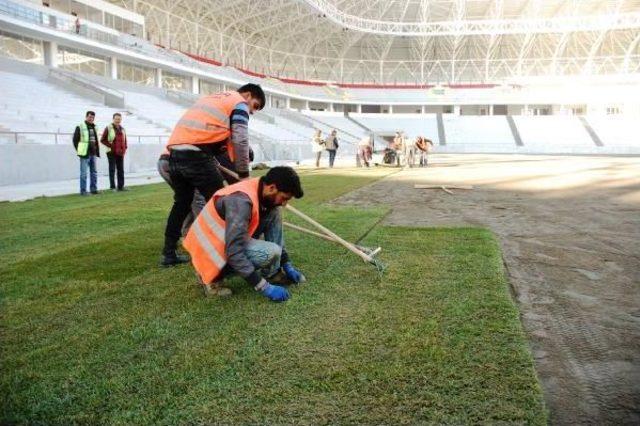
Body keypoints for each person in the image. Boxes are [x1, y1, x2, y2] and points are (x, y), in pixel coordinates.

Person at [160, 83, 266, 267]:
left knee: (182, 204)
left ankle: (168, 253)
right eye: (255, 106)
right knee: (226, 204)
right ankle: (231, 253)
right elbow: (240, 138)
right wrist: (243, 176)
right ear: (248, 95)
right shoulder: (239, 103)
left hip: (174, 155)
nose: (253, 112)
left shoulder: (212, 99)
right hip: (195, 155)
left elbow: (216, 137)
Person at [184, 166, 306, 302]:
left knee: (274, 212)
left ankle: (273, 273)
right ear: (272, 188)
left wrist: (286, 264)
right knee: (270, 252)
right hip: (207, 252)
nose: (284, 204)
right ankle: (211, 278)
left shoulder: (261, 188)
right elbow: (234, 252)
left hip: (226, 240)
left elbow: (271, 232)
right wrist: (264, 287)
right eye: (284, 198)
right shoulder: (241, 201)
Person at [73, 111, 100, 195]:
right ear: (86, 117)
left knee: (94, 172)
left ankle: (93, 190)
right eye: (90, 117)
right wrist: (80, 150)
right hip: (85, 153)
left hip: (93, 153)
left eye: (92, 117)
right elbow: (75, 140)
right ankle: (83, 191)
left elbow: (95, 140)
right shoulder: (80, 126)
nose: (91, 119)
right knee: (84, 173)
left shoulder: (95, 127)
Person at [100, 113, 128, 191]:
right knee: (112, 169)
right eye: (116, 119)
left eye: (119, 119)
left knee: (120, 169)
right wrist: (111, 146)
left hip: (120, 152)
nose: (118, 120)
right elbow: (102, 140)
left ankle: (121, 186)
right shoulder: (108, 128)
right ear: (113, 119)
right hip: (111, 152)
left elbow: (125, 140)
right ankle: (112, 187)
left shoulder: (123, 129)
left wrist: (125, 148)